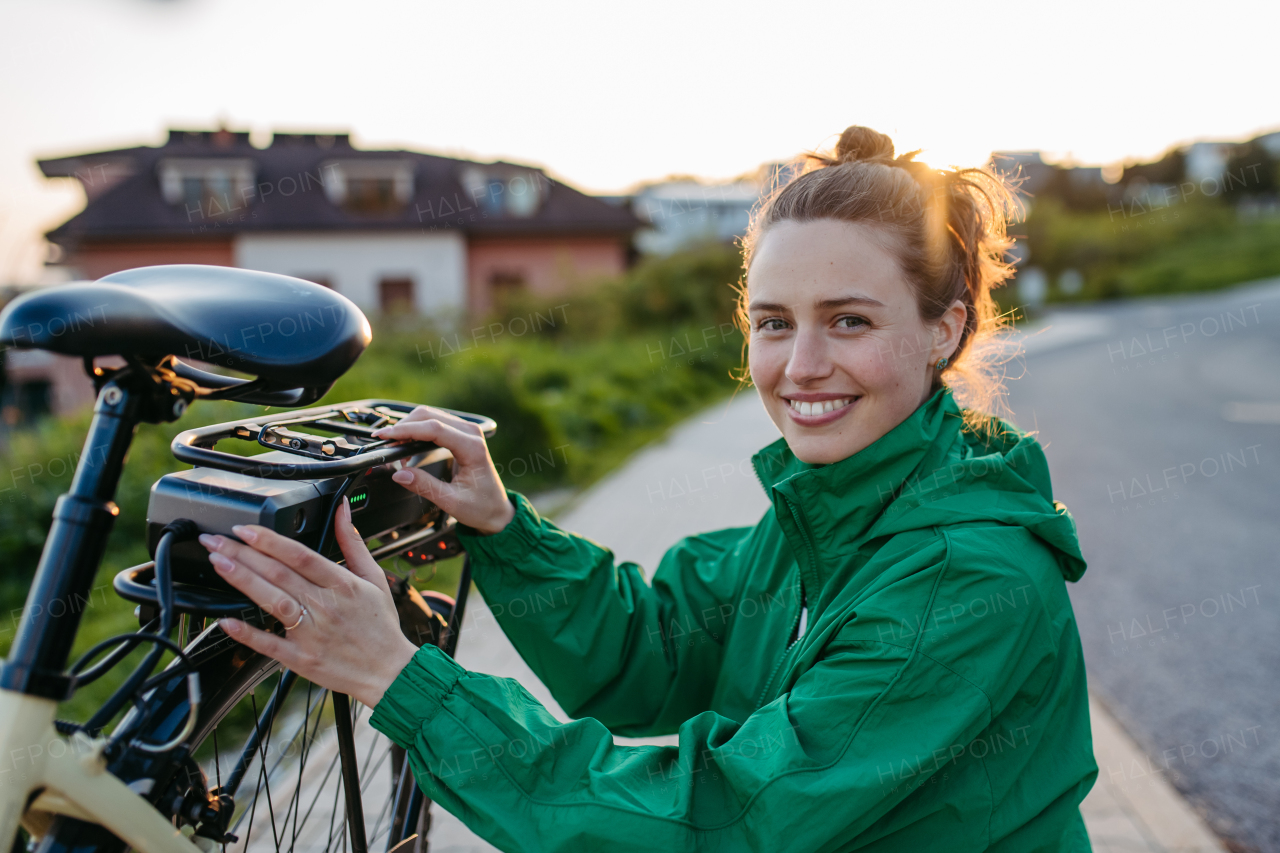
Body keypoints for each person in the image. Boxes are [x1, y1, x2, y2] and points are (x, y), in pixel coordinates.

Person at [199, 126, 1098, 851]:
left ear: (944, 329)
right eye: (775, 323)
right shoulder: (834, 506)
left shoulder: (960, 575)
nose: (801, 366)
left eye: (849, 321)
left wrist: (400, 677)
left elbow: (722, 821)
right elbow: (660, 651)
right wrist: (509, 531)